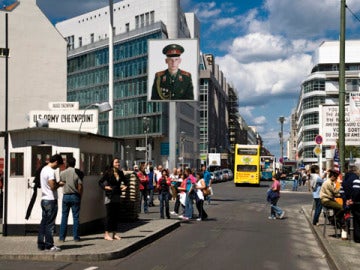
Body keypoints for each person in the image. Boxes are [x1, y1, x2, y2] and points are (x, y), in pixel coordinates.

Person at [37, 154, 64, 252]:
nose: (58, 167)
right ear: (56, 162)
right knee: (50, 224)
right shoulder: (51, 171)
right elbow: (52, 186)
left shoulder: (43, 169)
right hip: (51, 200)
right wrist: (59, 184)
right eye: (58, 165)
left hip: (44, 199)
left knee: (43, 222)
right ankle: (49, 245)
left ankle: (41, 244)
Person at [98, 158, 127, 241]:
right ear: (112, 163)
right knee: (109, 215)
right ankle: (106, 234)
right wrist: (105, 187)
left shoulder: (120, 173)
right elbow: (100, 182)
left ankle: (114, 233)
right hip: (110, 195)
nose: (118, 163)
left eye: (118, 162)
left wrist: (125, 187)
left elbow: (125, 182)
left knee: (115, 215)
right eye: (116, 162)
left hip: (117, 195)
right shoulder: (108, 172)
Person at [59, 156, 83, 242]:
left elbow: (61, 183)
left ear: (67, 163)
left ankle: (62, 238)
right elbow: (80, 186)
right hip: (75, 196)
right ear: (75, 163)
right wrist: (80, 196)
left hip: (66, 196)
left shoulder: (62, 173)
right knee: (75, 217)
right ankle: (76, 237)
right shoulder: (77, 173)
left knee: (64, 216)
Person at [342, 164, 360, 242]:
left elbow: (341, 191)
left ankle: (355, 236)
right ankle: (357, 237)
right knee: (357, 221)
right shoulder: (356, 179)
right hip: (356, 202)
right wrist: (352, 200)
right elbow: (356, 192)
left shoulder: (345, 179)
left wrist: (347, 200)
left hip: (349, 202)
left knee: (355, 220)